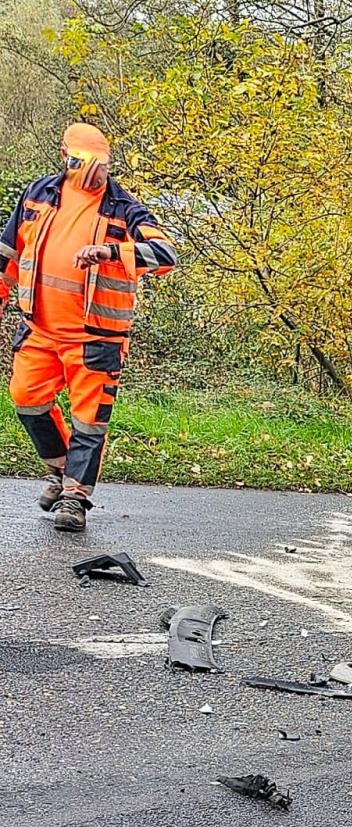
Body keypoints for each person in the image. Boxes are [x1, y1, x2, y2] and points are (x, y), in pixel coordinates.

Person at [0, 123, 177, 531]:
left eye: (103, 165)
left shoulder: (122, 207)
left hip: (96, 336)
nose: (96, 173)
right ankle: (61, 473)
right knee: (26, 399)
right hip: (40, 329)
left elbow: (165, 254)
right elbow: (8, 255)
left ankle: (75, 498)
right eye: (87, 164)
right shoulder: (38, 194)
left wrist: (112, 251)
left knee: (88, 420)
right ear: (67, 158)